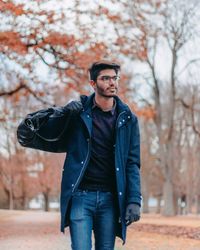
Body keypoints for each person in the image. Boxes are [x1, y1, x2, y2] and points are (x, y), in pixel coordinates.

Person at [17, 60, 142, 250]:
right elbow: (42, 130)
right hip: (81, 197)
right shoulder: (78, 113)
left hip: (111, 198)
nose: (112, 83)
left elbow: (132, 163)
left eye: (114, 78)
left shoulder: (128, 119)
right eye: (105, 78)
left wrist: (134, 200)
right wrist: (63, 114)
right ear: (93, 84)